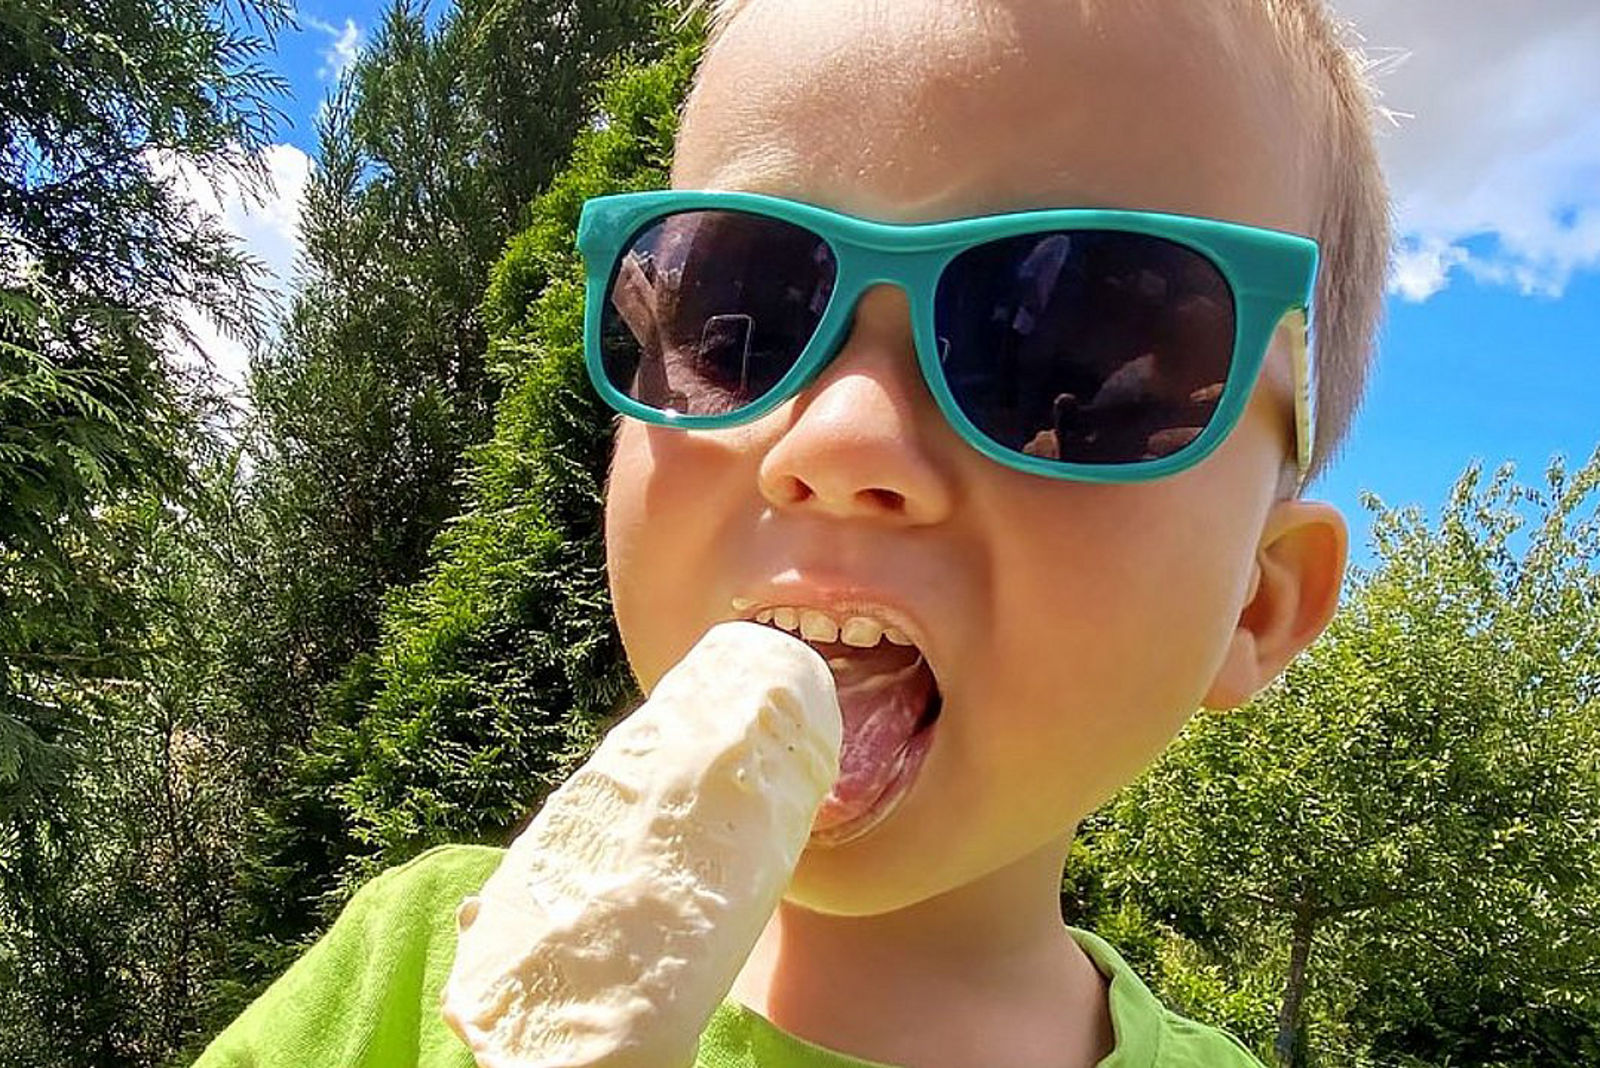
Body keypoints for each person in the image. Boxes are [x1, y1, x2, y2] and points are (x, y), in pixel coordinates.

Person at [193, 0, 1390, 1064]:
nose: (839, 441)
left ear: (1255, 605)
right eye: (736, 315)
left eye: (1054, 351)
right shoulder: (404, 982)